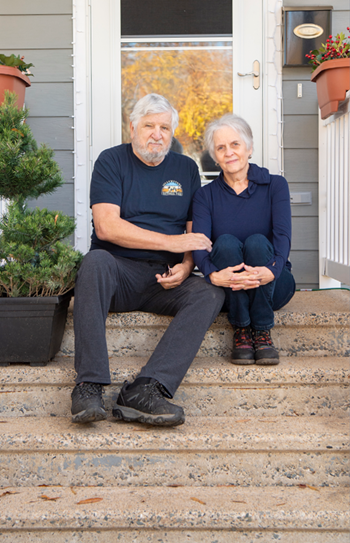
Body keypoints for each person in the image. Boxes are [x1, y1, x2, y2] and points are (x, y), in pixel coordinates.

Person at [71, 94, 225, 427]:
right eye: (149, 125)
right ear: (132, 127)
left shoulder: (185, 168)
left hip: (165, 279)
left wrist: (186, 266)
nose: (157, 134)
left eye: (165, 128)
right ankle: (89, 384)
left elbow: (192, 231)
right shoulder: (111, 161)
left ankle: (146, 388)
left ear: (173, 133)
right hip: (118, 273)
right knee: (94, 262)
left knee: (210, 292)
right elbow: (107, 226)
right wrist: (171, 241)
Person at [192, 114, 295, 366]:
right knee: (225, 243)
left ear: (249, 148)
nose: (229, 152)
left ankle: (261, 330)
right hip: (227, 289)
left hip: (273, 283)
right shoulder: (205, 196)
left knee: (258, 243)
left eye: (235, 144)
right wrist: (211, 275)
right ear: (215, 157)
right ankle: (241, 330)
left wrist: (272, 270)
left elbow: (282, 238)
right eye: (221, 147)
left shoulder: (275, 186)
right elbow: (200, 245)